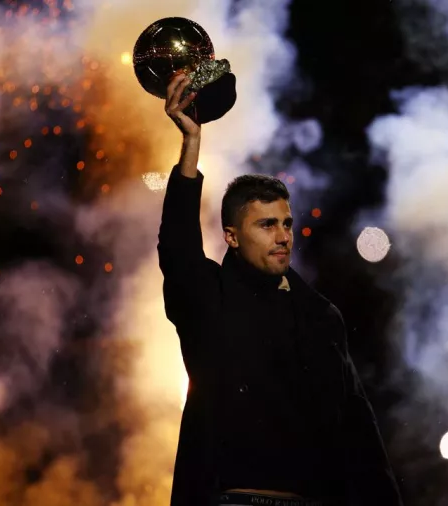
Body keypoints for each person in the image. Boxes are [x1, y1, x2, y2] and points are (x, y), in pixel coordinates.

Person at [158, 72, 404, 506]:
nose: (283, 235)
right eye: (266, 224)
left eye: (287, 223)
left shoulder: (320, 316)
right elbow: (177, 244)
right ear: (232, 236)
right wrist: (191, 143)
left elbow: (359, 429)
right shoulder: (209, 298)